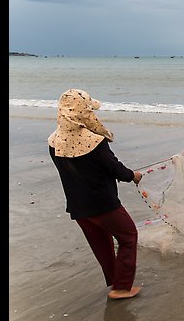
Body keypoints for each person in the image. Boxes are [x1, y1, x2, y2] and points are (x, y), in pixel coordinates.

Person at [48, 89, 143, 300]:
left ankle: (115, 283)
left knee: (102, 245)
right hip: (104, 205)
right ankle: (122, 288)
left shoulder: (54, 142)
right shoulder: (94, 141)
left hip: (78, 208)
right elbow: (113, 168)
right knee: (128, 236)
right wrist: (133, 175)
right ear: (82, 111)